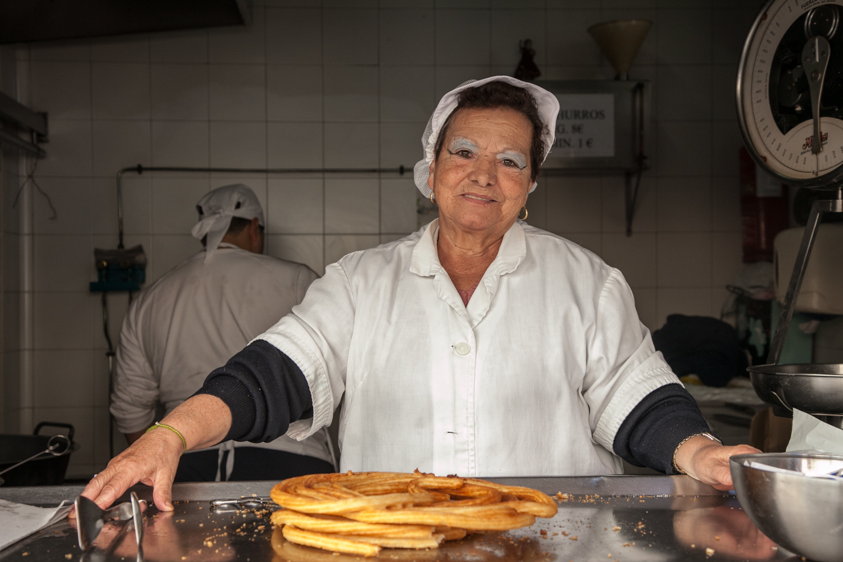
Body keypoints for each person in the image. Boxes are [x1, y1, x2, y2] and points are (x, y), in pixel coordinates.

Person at [83, 77, 758, 512]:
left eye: (511, 160)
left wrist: (699, 451)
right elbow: (273, 377)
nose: (484, 175)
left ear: (530, 187)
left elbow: (637, 396)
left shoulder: (586, 282)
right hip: (394, 552)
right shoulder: (359, 282)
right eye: (464, 153)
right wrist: (170, 434)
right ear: (431, 170)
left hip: (557, 554)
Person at [109, 184, 334, 482]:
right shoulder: (299, 280)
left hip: (185, 465)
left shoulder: (151, 298)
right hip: (291, 461)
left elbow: (130, 410)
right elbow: (334, 377)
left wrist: (161, 462)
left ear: (204, 232)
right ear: (254, 227)